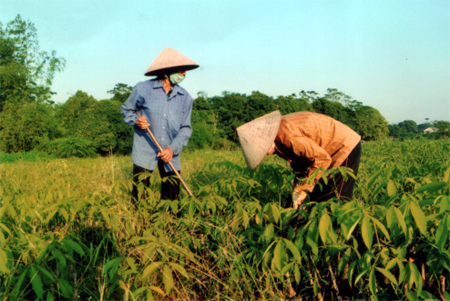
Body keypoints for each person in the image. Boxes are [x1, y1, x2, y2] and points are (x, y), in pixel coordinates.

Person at [121, 47, 199, 205]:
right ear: (167, 70)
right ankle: (141, 226)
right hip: (145, 150)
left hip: (170, 153)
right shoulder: (143, 89)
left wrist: (173, 149)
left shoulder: (185, 97)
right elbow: (127, 109)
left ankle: (170, 225)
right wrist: (136, 121)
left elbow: (185, 128)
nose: (184, 74)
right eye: (181, 70)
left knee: (172, 196)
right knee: (140, 196)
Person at [237, 110, 361, 209]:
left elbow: (322, 159)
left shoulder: (285, 135)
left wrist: (303, 188)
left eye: (262, 149)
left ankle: (345, 238)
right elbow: (301, 164)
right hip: (325, 153)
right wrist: (297, 188)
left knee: (336, 201)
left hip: (344, 147)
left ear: (267, 137)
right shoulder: (278, 143)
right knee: (317, 198)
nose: (266, 154)